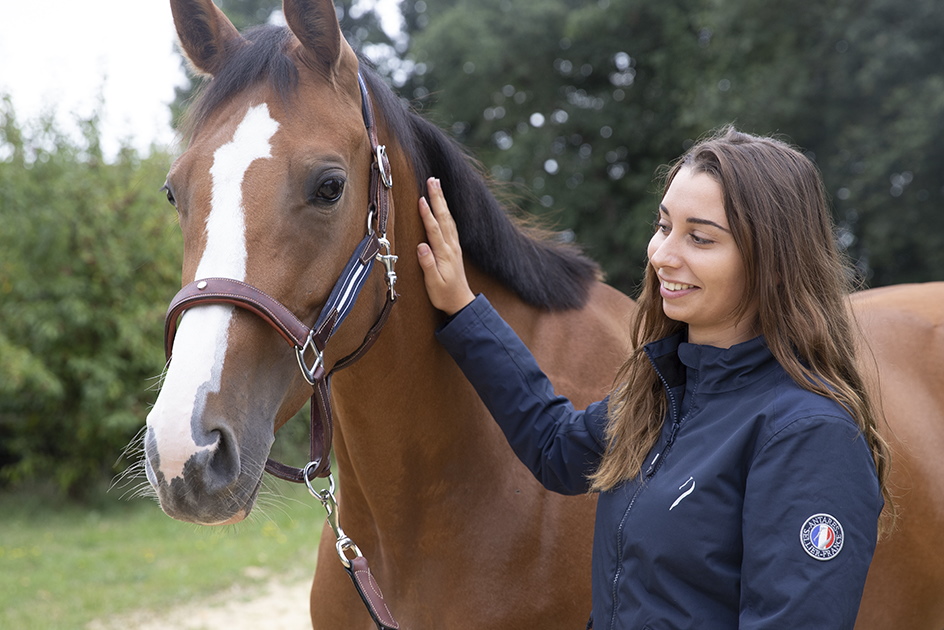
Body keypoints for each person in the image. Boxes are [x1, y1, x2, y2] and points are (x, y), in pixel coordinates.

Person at [415, 126, 892, 629]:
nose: (662, 255)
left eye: (700, 238)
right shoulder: (667, 393)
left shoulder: (809, 436)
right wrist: (462, 309)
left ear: (773, 262)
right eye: (664, 226)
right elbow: (556, 447)